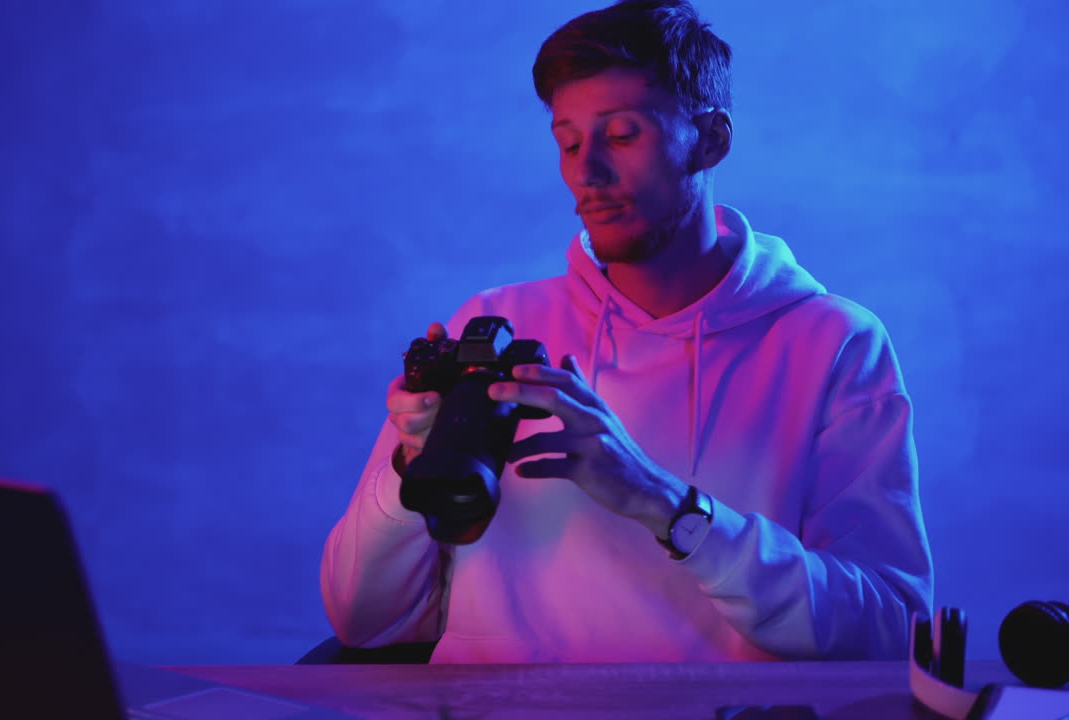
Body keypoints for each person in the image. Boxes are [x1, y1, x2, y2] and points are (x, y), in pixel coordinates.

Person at [320, 0, 933, 663]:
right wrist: (409, 469)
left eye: (621, 135)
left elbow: (891, 631)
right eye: (569, 142)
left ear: (711, 139)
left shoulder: (833, 344)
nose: (586, 174)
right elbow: (365, 624)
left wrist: (664, 503)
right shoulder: (494, 326)